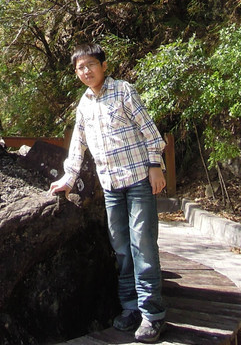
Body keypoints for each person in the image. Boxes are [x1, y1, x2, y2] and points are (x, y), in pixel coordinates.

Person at [49, 43, 167, 343]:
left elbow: (151, 133)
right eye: (80, 68)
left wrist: (155, 166)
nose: (86, 71)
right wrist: (68, 178)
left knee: (143, 245)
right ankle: (131, 309)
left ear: (103, 66)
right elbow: (78, 144)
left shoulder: (123, 91)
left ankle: (152, 315)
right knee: (121, 248)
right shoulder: (84, 104)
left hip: (139, 180)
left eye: (90, 64)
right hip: (111, 186)